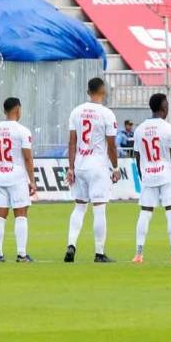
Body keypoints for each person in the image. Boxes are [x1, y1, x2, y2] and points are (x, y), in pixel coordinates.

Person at [64, 77, 120, 263]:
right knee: (99, 208)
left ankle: (71, 244)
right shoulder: (107, 114)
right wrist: (116, 167)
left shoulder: (76, 112)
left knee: (79, 207)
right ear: (103, 92)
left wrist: (71, 167)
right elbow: (111, 146)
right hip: (98, 166)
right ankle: (99, 252)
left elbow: (72, 142)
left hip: (80, 164)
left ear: (88, 92)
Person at [132, 94, 171, 264]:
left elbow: (136, 156)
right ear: (164, 107)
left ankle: (138, 253)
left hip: (149, 175)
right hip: (167, 176)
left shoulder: (139, 129)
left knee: (145, 213)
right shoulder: (170, 129)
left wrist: (143, 175)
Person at [0, 97, 36, 262]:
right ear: (18, 109)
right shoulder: (22, 131)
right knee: (21, 214)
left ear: (4, 110)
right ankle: (22, 254)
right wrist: (32, 181)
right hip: (17, 177)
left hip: (0, 176)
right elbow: (28, 158)